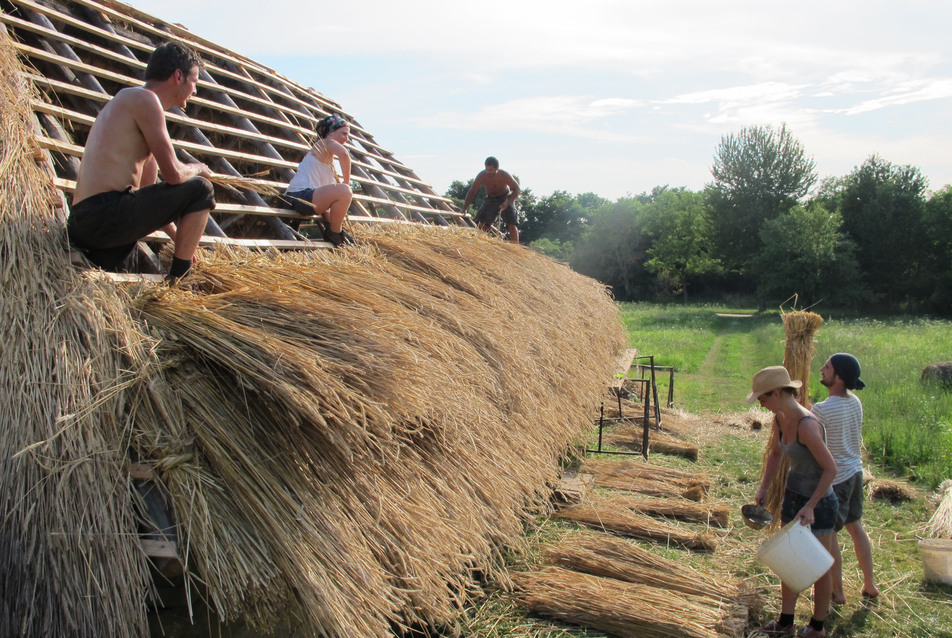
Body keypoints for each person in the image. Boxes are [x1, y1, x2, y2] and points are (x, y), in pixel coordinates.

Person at [68, 41, 215, 282]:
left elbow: (150, 194)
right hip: (101, 216)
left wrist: (180, 240)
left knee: (132, 270)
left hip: (93, 227)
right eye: (195, 82)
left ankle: (179, 271)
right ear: (178, 76)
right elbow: (175, 175)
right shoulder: (144, 99)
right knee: (202, 188)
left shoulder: (134, 106)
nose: (195, 91)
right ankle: (180, 280)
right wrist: (199, 168)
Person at [749, 366, 839, 638]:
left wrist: (811, 505)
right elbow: (776, 454)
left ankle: (817, 627)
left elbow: (830, 469)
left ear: (777, 393)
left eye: (762, 398)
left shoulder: (807, 425)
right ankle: (786, 621)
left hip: (820, 503)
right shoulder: (780, 418)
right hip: (794, 496)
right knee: (789, 558)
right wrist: (764, 487)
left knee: (820, 565)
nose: (760, 403)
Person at [812, 353, 879, 604]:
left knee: (829, 536)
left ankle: (837, 592)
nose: (821, 369)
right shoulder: (855, 401)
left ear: (838, 377)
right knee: (856, 527)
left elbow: (810, 436)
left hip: (836, 480)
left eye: (827, 367)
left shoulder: (822, 410)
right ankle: (870, 584)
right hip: (855, 472)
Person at [282, 114, 355, 247]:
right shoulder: (325, 143)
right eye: (344, 134)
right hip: (298, 197)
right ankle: (335, 233)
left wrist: (334, 227)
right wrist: (346, 182)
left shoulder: (327, 162)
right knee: (344, 190)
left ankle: (335, 233)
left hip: (305, 198)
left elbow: (328, 205)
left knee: (342, 192)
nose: (346, 139)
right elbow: (344, 154)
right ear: (331, 132)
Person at [460, 156, 521, 244]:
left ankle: (516, 248)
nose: (489, 172)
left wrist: (507, 202)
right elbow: (472, 191)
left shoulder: (504, 175)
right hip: (491, 198)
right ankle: (494, 237)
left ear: (497, 169)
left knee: (512, 223)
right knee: (480, 223)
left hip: (505, 196)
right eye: (487, 169)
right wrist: (465, 208)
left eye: (491, 170)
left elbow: (517, 189)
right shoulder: (482, 176)